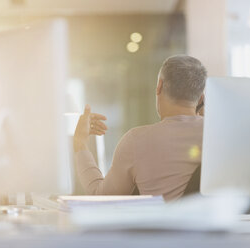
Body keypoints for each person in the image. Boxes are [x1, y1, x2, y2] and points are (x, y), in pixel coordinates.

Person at [73, 55, 207, 201]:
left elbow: (101, 199)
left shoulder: (136, 141)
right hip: (217, 223)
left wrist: (80, 144)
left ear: (159, 86)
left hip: (162, 224)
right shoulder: (218, 135)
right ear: (201, 98)